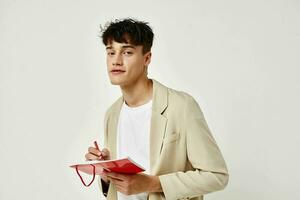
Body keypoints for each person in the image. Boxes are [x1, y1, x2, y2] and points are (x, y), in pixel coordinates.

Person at [85, 18, 229, 200]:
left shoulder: (181, 106)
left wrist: (152, 183)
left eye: (127, 52)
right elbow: (120, 189)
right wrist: (106, 173)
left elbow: (217, 176)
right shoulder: (112, 113)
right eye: (111, 52)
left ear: (147, 58)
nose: (116, 61)